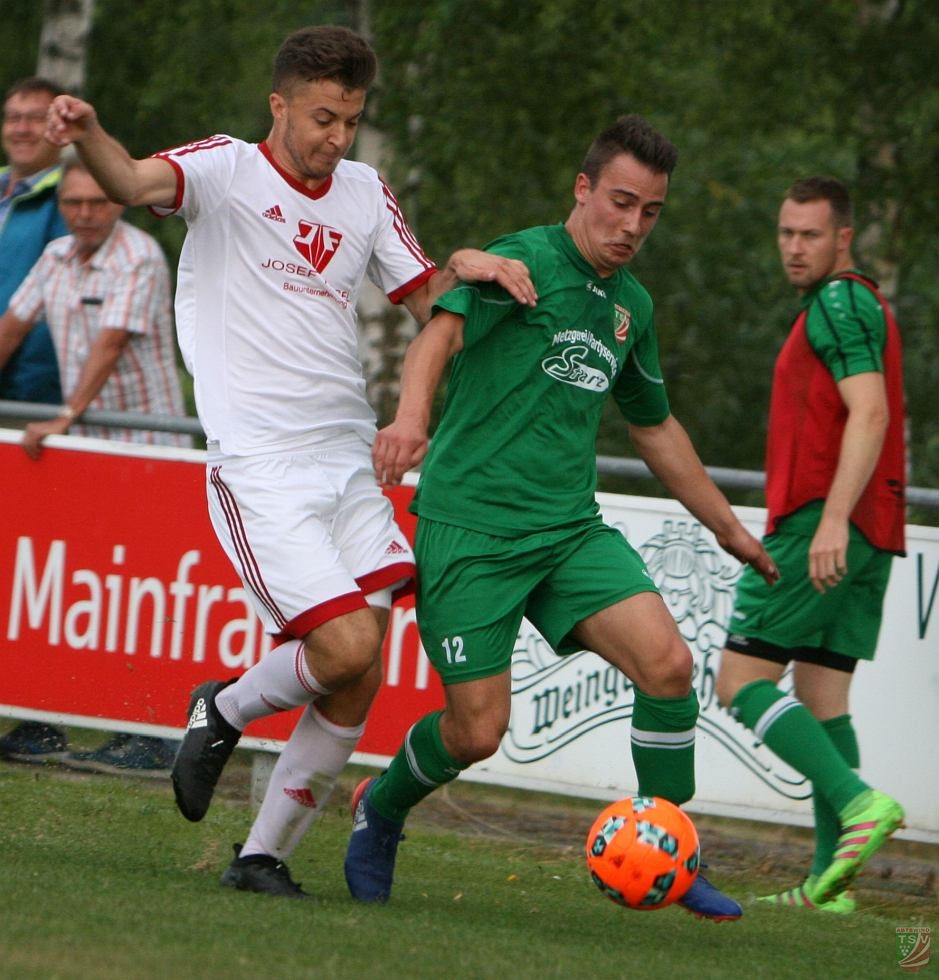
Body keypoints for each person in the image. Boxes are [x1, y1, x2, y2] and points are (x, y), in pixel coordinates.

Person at [46, 24, 536, 899]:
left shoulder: (363, 192)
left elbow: (426, 295)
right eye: (321, 117)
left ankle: (261, 855)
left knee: (364, 666)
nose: (336, 137)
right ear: (278, 105)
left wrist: (464, 265)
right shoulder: (225, 169)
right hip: (262, 462)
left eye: (350, 119)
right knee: (343, 645)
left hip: (346, 456)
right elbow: (127, 181)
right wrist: (86, 129)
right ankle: (226, 707)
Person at [342, 114, 779, 921]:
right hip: (471, 528)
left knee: (668, 668)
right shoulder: (524, 260)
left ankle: (671, 849)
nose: (631, 225)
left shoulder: (631, 307)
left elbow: (653, 426)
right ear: (583, 189)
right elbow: (436, 338)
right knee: (476, 733)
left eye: (649, 211)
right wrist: (409, 420)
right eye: (619, 202)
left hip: (568, 532)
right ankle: (383, 806)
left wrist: (728, 528)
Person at [714, 176, 906, 913]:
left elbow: (870, 413)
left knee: (738, 680)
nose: (794, 247)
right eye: (785, 233)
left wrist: (829, 521)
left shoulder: (836, 300)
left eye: (809, 235)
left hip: (821, 527)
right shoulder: (854, 303)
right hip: (872, 530)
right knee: (822, 696)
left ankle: (856, 803)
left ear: (842, 239)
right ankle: (832, 888)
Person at [0, 155, 190, 775]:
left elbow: (111, 341)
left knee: (149, 595)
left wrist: (66, 413)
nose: (83, 214)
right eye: (73, 204)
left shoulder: (139, 256)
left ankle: (156, 733)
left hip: (147, 454)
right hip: (85, 456)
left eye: (96, 202)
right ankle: (43, 719)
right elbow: (12, 324)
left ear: (118, 200)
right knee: (68, 588)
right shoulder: (54, 256)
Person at [0, 76, 71, 765]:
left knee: (41, 565)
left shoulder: (67, 198)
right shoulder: (6, 192)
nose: (21, 127)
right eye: (12, 116)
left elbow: (34, 312)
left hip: (32, 402)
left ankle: (43, 717)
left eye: (34, 118)